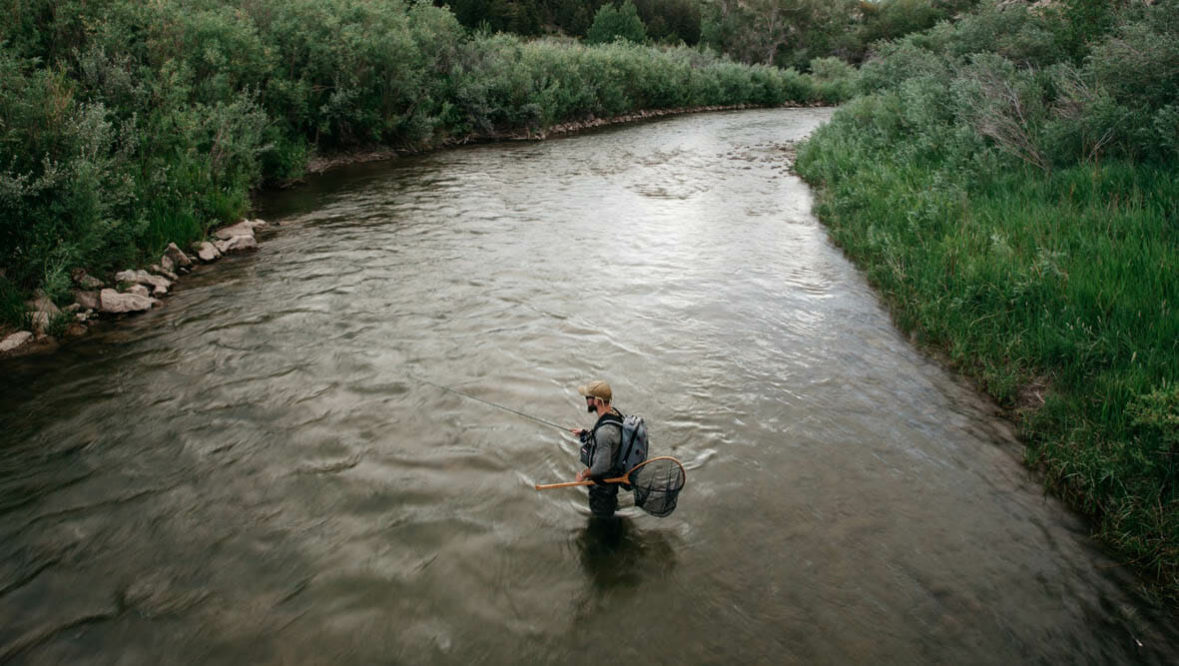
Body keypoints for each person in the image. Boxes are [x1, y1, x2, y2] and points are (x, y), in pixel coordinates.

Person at [570, 380, 624, 519]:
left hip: (602, 490)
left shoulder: (604, 432)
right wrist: (585, 433)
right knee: (610, 512)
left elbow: (601, 467)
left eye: (588, 398)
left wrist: (583, 474)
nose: (586, 400)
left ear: (598, 401)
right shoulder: (614, 414)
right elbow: (608, 439)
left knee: (602, 520)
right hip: (610, 486)